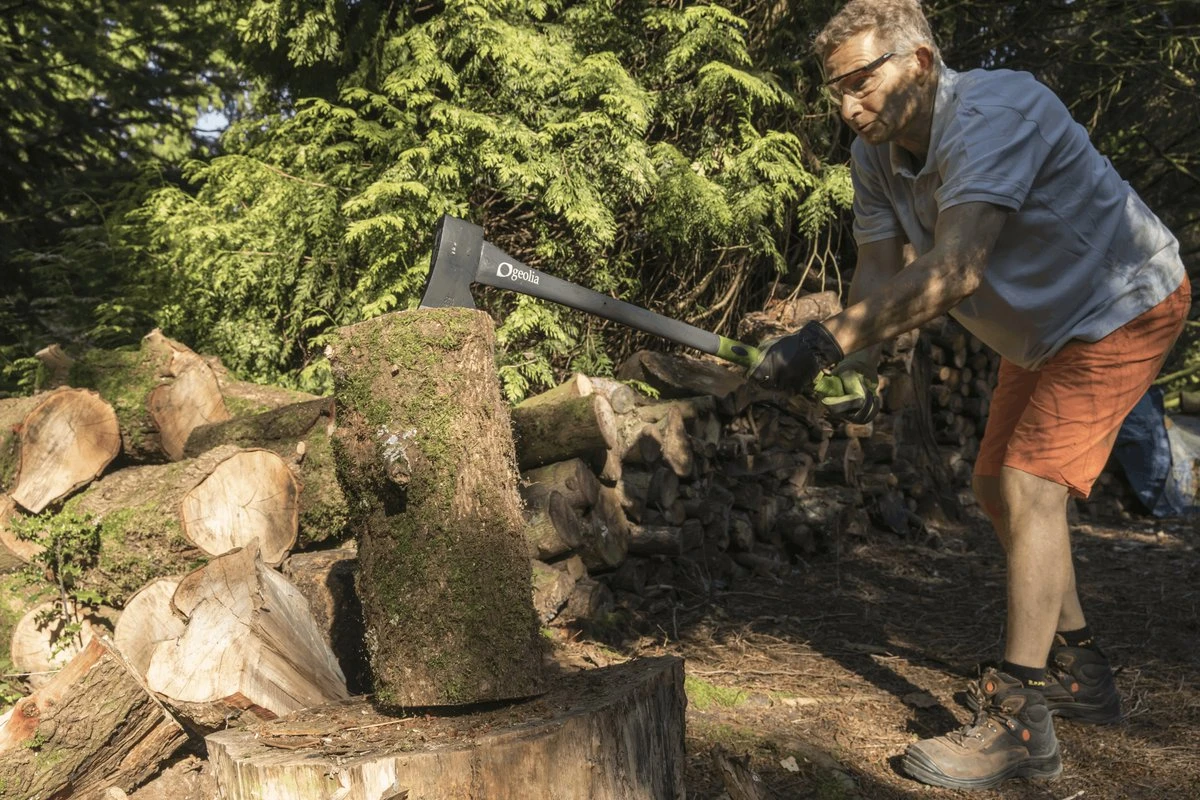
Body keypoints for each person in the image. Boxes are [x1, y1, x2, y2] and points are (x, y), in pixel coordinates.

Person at [750, 0, 1193, 790]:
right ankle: (1081, 669)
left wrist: (823, 342)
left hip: (1120, 301)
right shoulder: (875, 155)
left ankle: (1021, 724)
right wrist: (854, 367)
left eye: (861, 82)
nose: (848, 107)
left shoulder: (996, 113)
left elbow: (956, 271)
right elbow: (879, 271)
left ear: (919, 63)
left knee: (1030, 484)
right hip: (1042, 330)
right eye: (836, 90)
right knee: (993, 485)